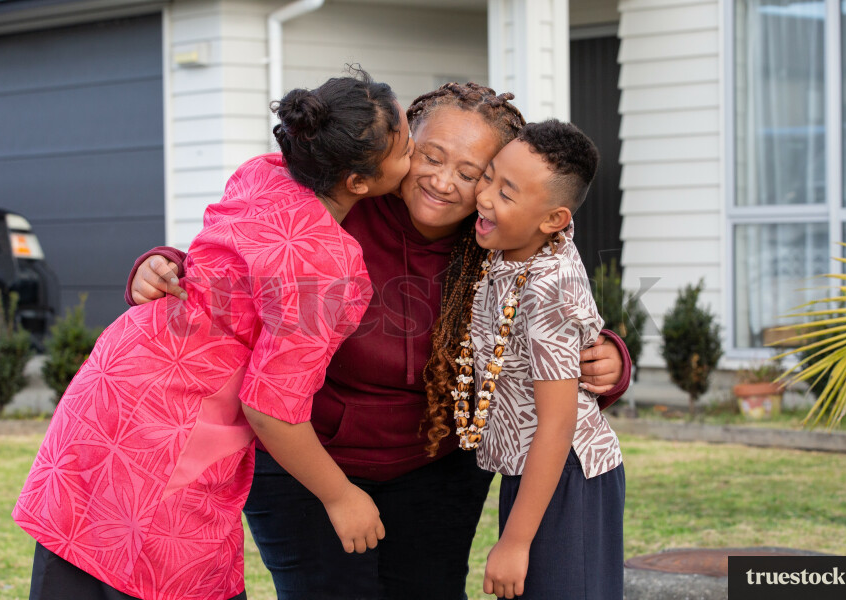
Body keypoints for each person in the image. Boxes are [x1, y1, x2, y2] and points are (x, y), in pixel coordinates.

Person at [127, 83, 631, 600]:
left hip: (434, 468)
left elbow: (552, 297)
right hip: (307, 460)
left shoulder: (495, 236)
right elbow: (240, 250)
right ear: (401, 147)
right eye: (429, 157)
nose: (442, 182)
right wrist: (164, 265)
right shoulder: (340, 204)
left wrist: (610, 355)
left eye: (471, 173)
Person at [13, 71, 414, 600]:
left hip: (112, 389)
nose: (415, 159)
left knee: (77, 560)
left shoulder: (262, 174)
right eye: (407, 151)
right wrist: (341, 496)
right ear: (358, 184)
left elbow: (221, 269)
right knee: (170, 570)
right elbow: (272, 407)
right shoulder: (329, 267)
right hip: (180, 424)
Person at [459, 120, 624, 599]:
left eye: (506, 194)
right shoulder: (511, 248)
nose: (485, 196)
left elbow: (557, 422)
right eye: (487, 177)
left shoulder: (547, 286)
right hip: (530, 470)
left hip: (568, 475)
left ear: (554, 219)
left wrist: (514, 541)